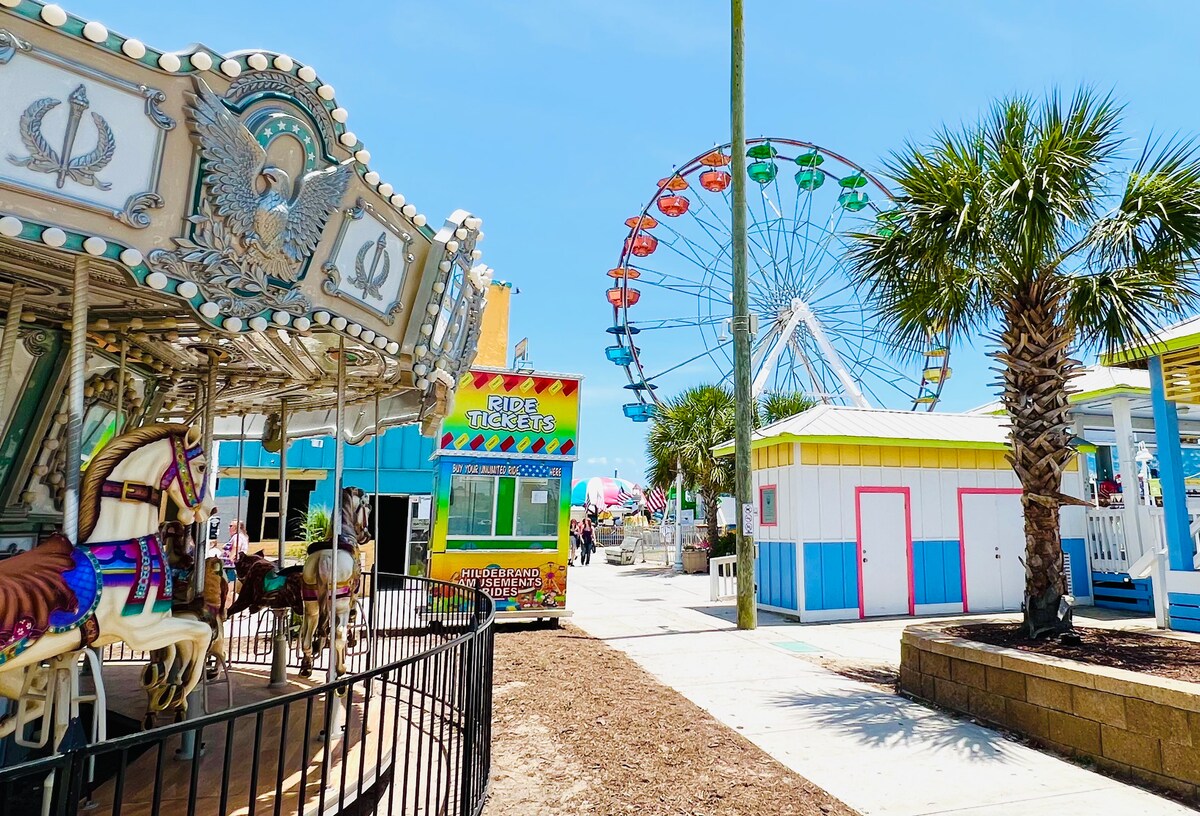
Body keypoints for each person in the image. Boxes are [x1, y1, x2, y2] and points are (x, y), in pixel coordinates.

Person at [221, 519, 249, 584]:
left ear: (236, 528)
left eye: (231, 526)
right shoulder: (242, 536)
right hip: (231, 566)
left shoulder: (237, 537)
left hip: (230, 567)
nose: (229, 528)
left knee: (229, 586)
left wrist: (230, 558)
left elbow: (236, 548)